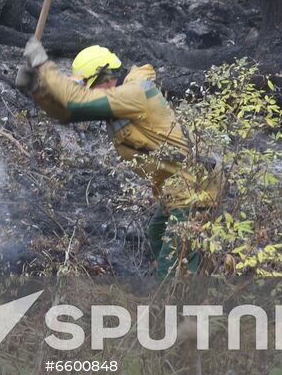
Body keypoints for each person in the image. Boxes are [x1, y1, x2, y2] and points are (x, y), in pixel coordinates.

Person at [14, 37, 221, 277]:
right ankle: (196, 280)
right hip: (175, 191)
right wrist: (37, 89)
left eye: (90, 87)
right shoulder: (119, 100)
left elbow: (75, 100)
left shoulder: (134, 94)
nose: (89, 94)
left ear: (106, 78)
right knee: (157, 235)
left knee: (172, 267)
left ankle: (178, 300)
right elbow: (69, 112)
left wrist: (41, 65)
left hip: (194, 192)